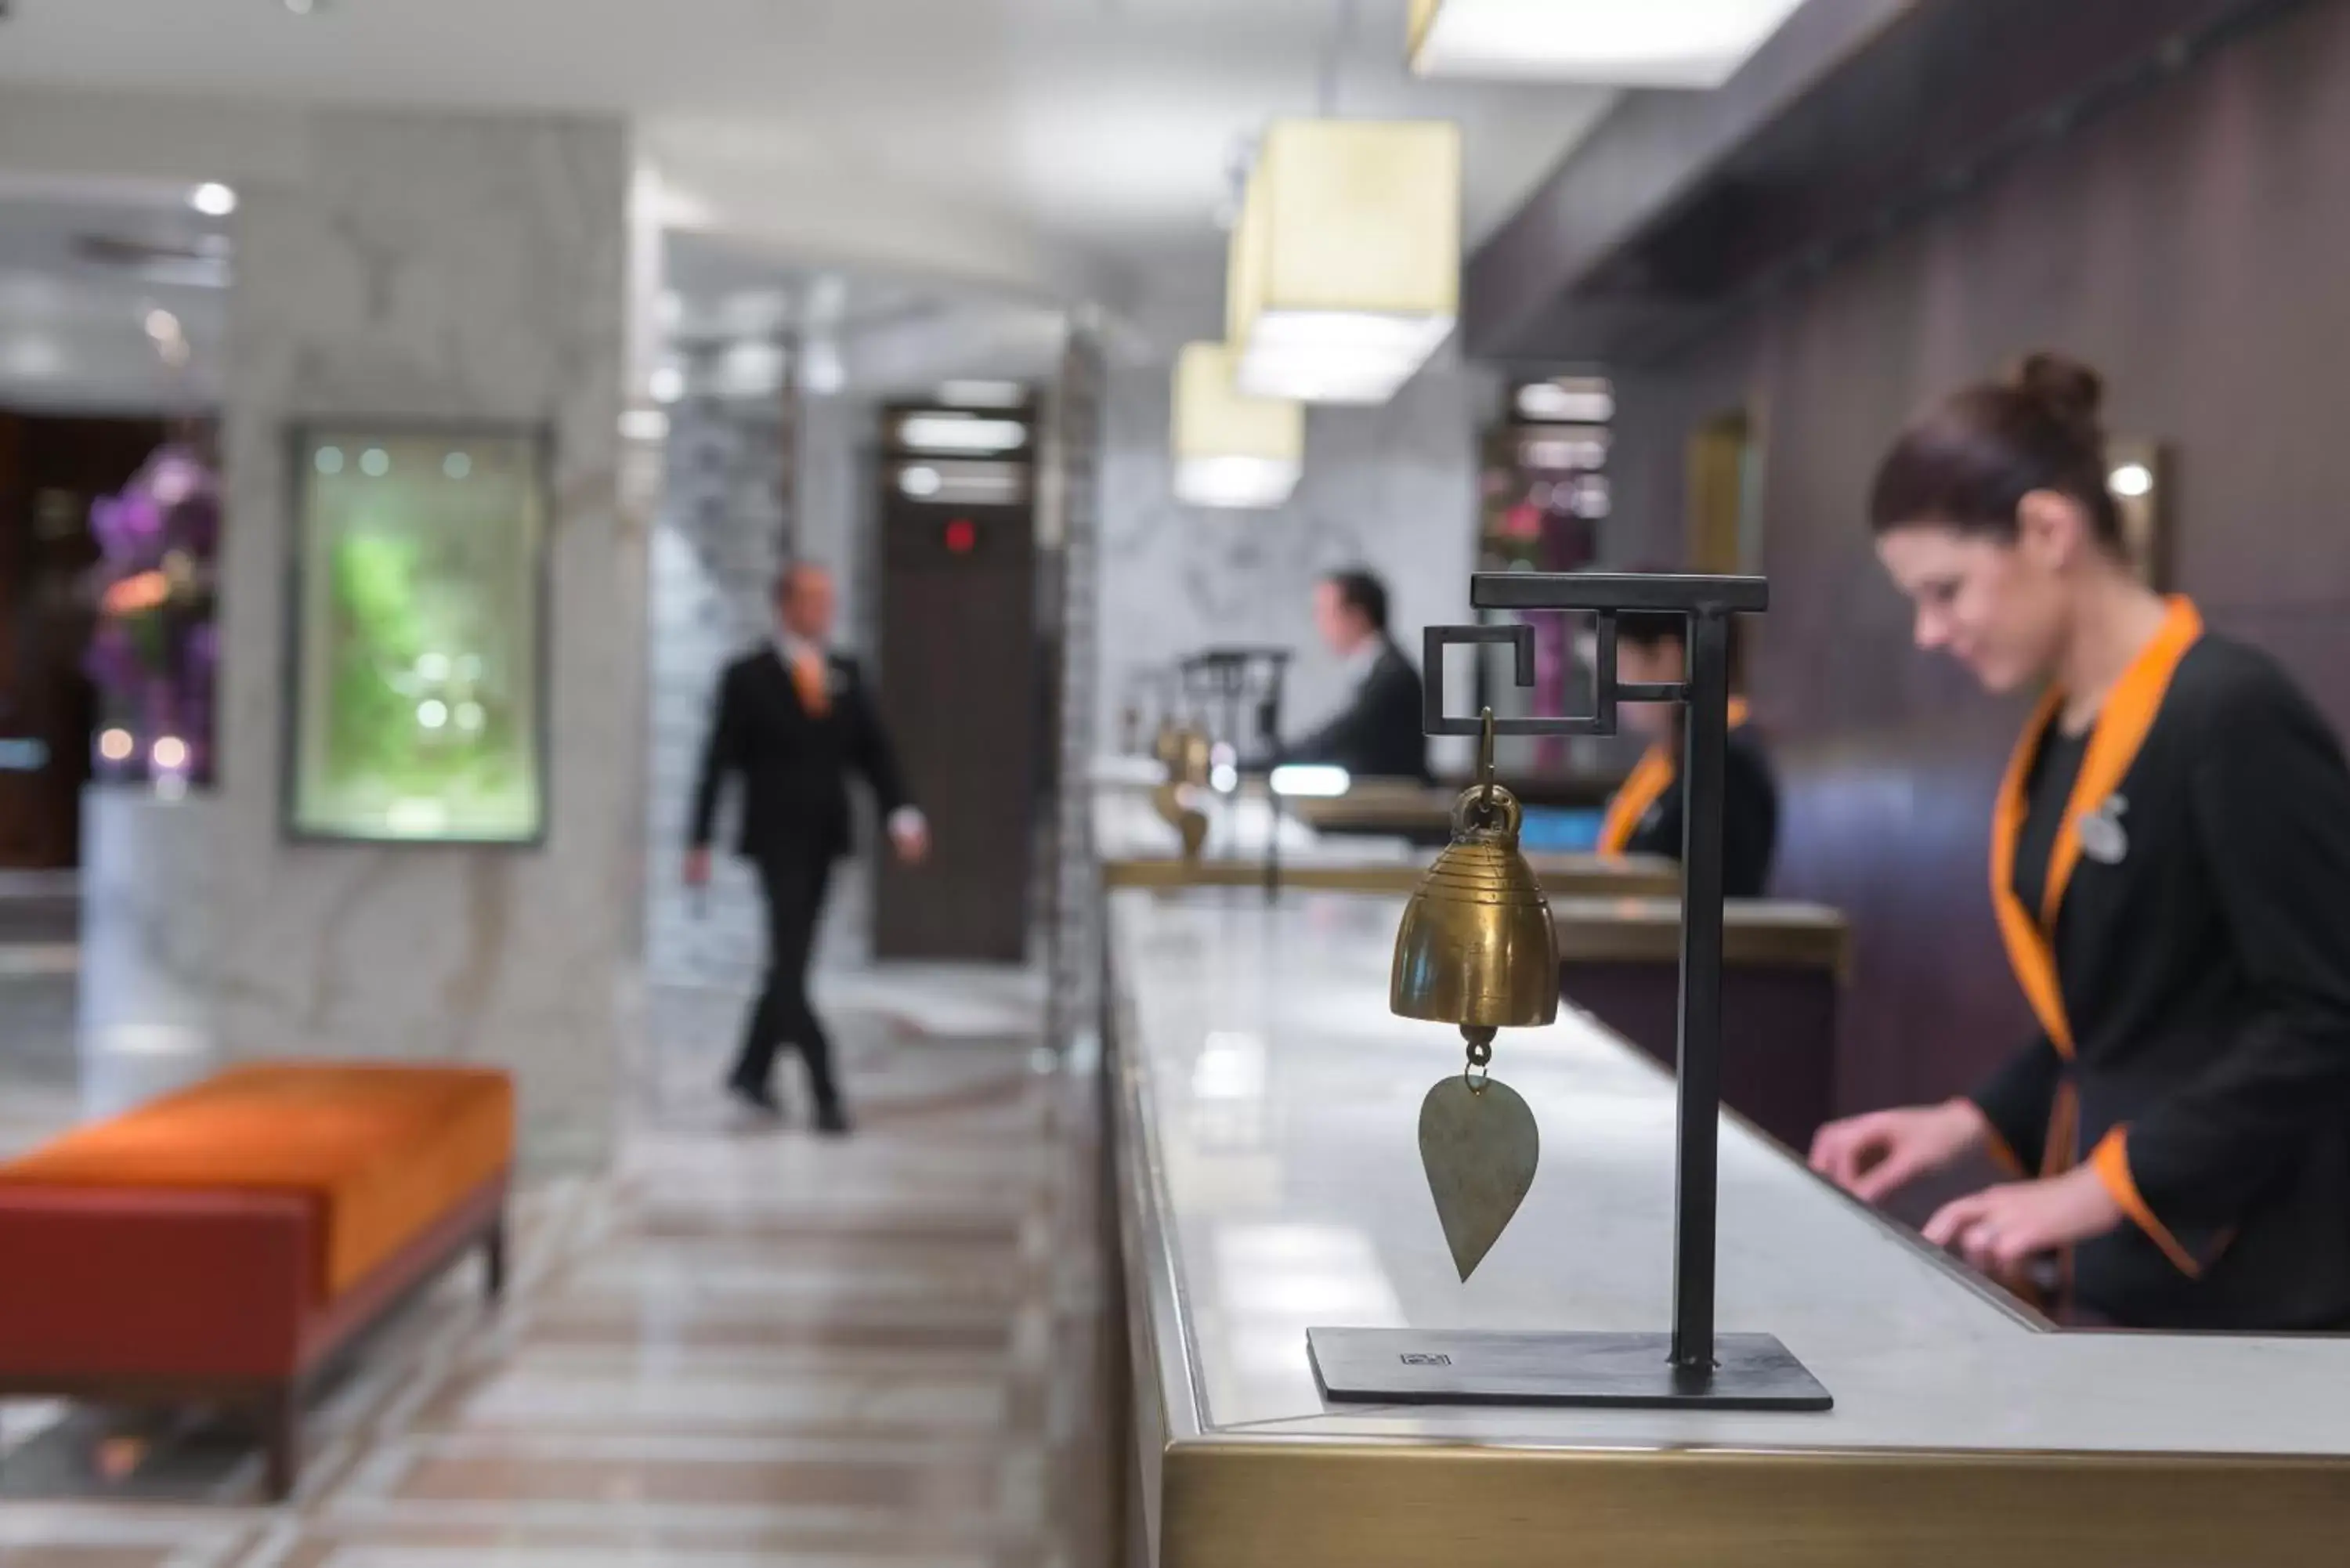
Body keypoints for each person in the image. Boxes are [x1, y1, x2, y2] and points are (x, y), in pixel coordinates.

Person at [1809, 352, 2350, 1330]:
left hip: (2267, 1292)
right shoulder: (2068, 729)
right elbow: (2124, 1016)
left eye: (1947, 590)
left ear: (2048, 529)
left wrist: (2100, 1187)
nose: (1931, 632)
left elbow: (2326, 1013)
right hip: (2136, 1280)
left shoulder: (2230, 713)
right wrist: (1965, 1122)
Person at [686, 562, 928, 1133]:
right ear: (785, 606)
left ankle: (751, 1069)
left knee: (789, 960)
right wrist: (697, 838)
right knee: (791, 966)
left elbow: (875, 754)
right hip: (773, 838)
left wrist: (903, 814)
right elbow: (716, 764)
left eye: (829, 599)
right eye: (813, 599)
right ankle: (825, 1087)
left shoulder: (844, 671)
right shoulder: (747, 677)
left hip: (825, 836)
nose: (824, 609)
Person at [1591, 609, 1779, 897]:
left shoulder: (1725, 763)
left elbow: (1722, 903)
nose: (1603, 689)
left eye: (1617, 665)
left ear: (1668, 658)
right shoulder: (1679, 753)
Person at [1284, 569, 1429, 781]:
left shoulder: (1392, 675)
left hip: (1390, 804)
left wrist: (1277, 759)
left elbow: (1345, 734)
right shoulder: (1379, 666)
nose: (1319, 625)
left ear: (1357, 616)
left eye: (1325, 613)